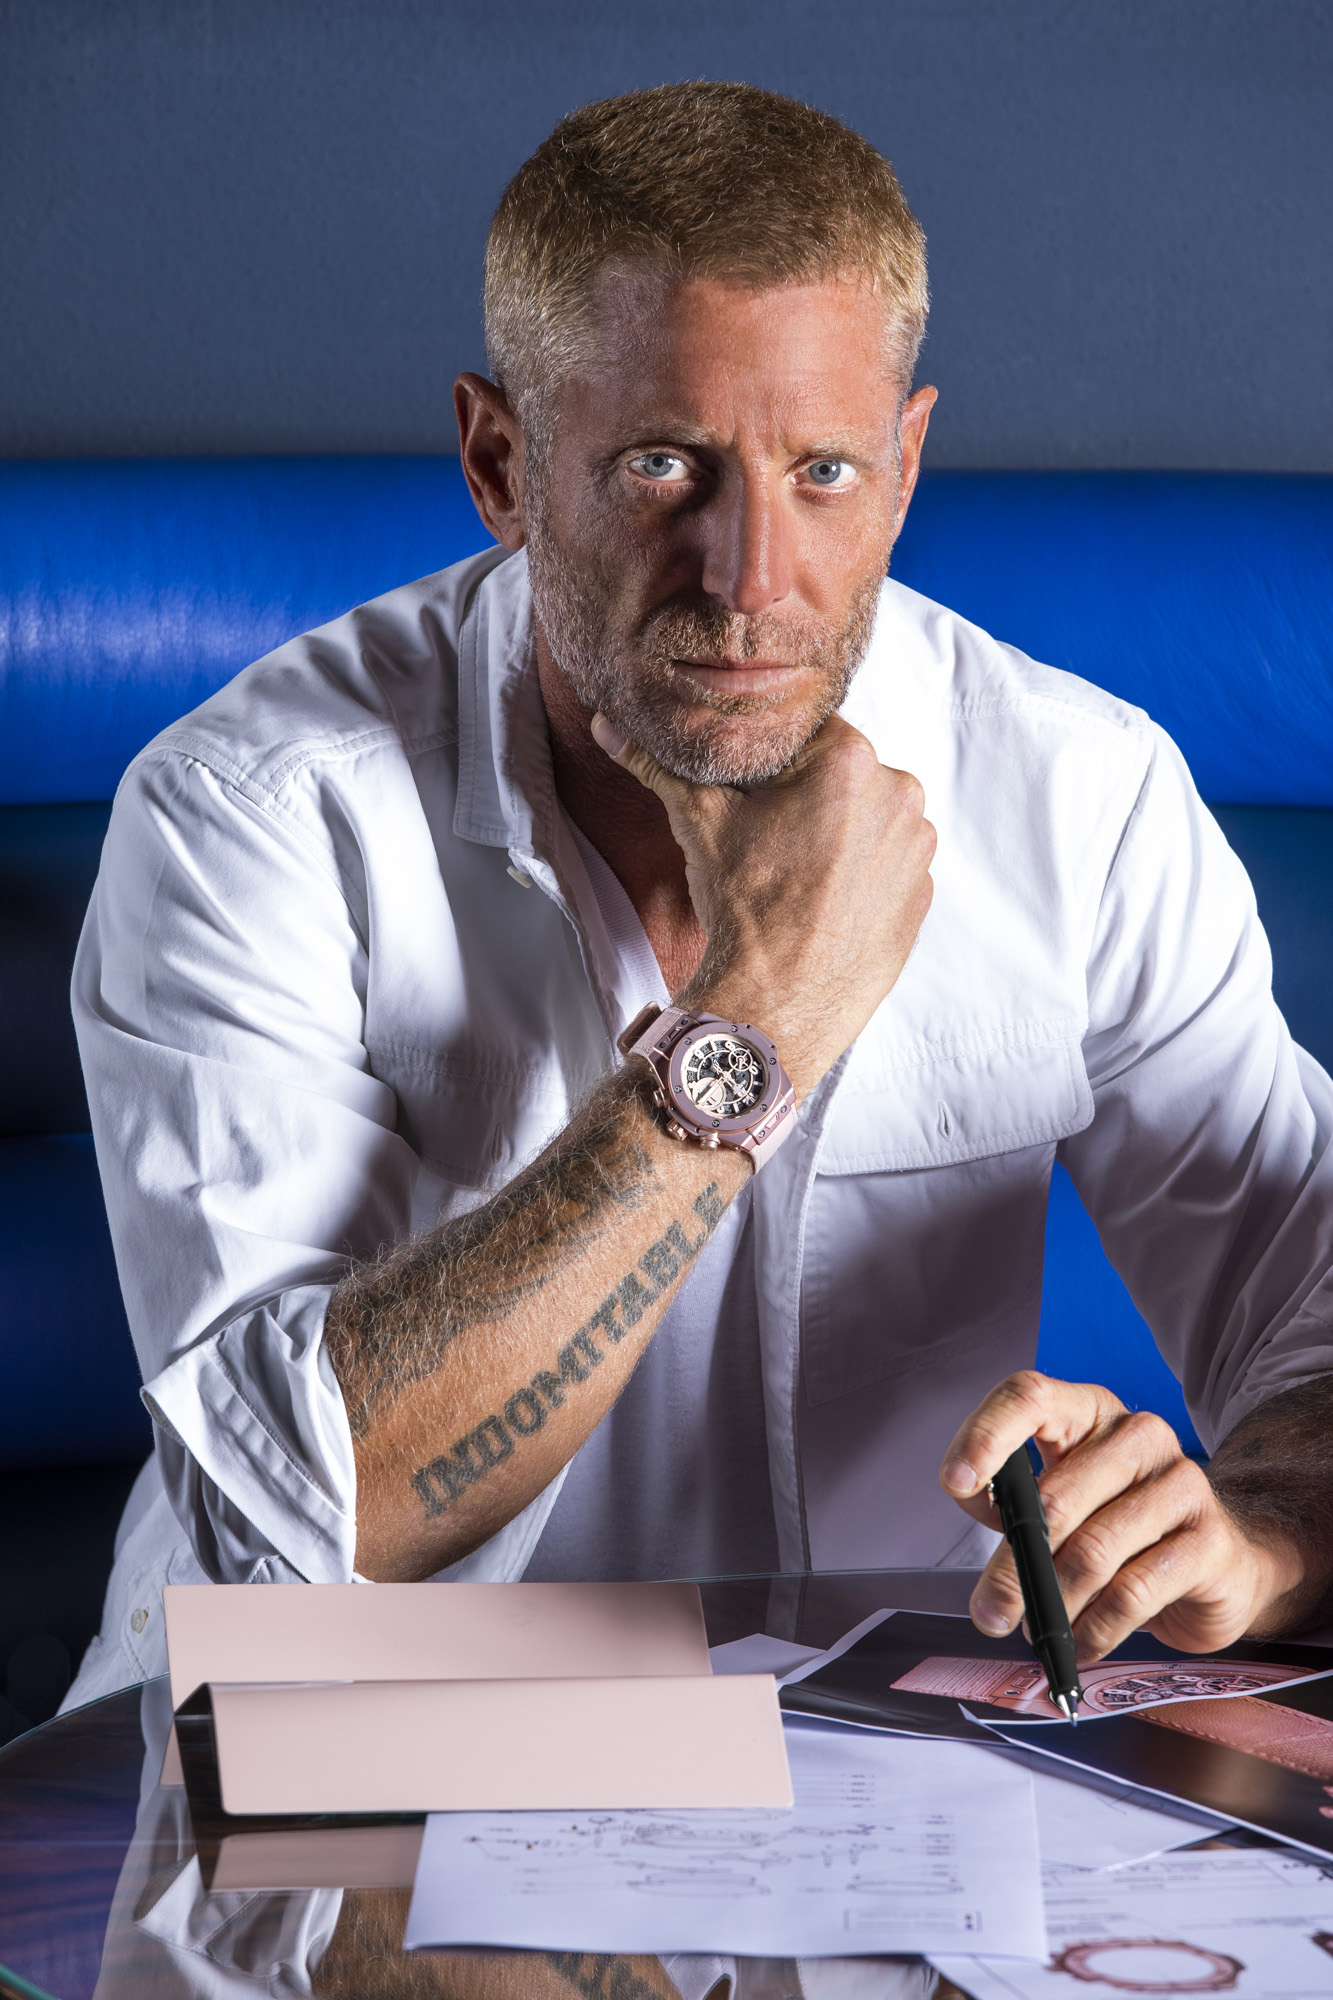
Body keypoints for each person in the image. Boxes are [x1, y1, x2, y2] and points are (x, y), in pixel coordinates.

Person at [67, 81, 1333, 1710]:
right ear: (501, 462)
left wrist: (1261, 1537)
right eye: (664, 466)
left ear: (905, 464)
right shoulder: (248, 813)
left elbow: (1309, 1303)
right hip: (355, 1727)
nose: (749, 583)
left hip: (867, 1756)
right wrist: (757, 1017)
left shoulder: (1077, 796)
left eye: (824, 471)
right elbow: (299, 1523)